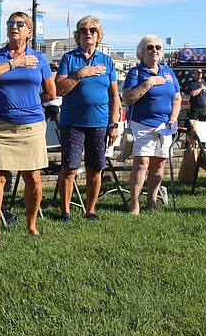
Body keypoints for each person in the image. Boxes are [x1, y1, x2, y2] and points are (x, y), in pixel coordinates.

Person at [0, 11, 55, 242]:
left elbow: (51, 91)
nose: (14, 26)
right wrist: (14, 63)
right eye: (11, 23)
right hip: (0, 124)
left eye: (20, 24)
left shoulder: (39, 59)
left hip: (31, 125)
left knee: (33, 178)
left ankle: (31, 224)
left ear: (29, 32)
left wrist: (29, 102)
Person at [55, 15, 119, 222]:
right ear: (78, 35)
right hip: (72, 122)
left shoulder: (107, 61)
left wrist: (114, 124)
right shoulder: (68, 59)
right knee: (70, 167)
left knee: (96, 168)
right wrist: (81, 74)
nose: (88, 33)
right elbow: (58, 89)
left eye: (92, 30)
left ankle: (90, 210)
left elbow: (114, 96)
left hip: (99, 123)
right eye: (84, 30)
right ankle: (65, 211)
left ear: (98, 35)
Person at [122, 34, 181, 214]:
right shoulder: (136, 72)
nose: (154, 50)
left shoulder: (168, 72)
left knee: (159, 165)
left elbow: (177, 97)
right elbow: (128, 98)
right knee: (141, 164)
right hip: (142, 124)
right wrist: (149, 83)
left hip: (164, 127)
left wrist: (173, 118)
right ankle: (134, 203)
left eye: (157, 47)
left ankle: (152, 200)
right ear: (142, 51)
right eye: (150, 47)